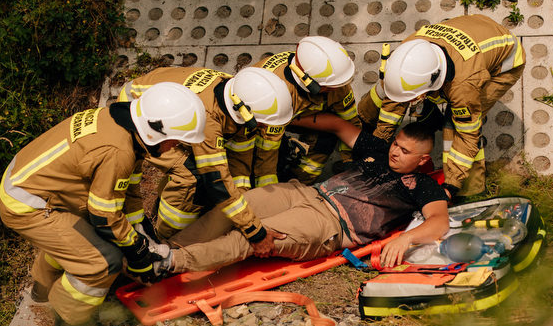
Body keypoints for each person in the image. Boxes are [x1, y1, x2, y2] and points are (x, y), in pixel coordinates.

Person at [0, 82, 206, 326]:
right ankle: (72, 321)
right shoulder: (118, 151)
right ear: (155, 131)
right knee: (103, 260)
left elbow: (125, 193)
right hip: (27, 204)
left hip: (32, 184)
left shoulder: (121, 126)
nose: (174, 148)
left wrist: (142, 232)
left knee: (80, 239)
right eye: (174, 141)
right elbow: (105, 217)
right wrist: (137, 252)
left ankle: (43, 286)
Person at [144, 114, 450, 277]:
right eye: (396, 144)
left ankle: (170, 262)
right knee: (239, 205)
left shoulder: (423, 186)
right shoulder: (380, 150)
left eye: (405, 151)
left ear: (423, 160)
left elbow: (439, 223)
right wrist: (277, 118)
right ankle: (159, 250)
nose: (395, 152)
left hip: (331, 224)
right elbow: (337, 125)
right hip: (304, 193)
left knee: (254, 237)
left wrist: (403, 239)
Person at [117, 66, 293, 253]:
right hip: (142, 113)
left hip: (172, 111)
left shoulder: (239, 96)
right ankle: (166, 240)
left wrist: (244, 208)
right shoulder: (208, 118)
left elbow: (240, 163)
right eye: (261, 123)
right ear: (244, 112)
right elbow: (216, 180)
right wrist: (254, 231)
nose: (263, 127)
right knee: (190, 175)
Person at [357, 14, 525, 198]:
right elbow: (395, 98)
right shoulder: (408, 53)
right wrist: (378, 145)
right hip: (475, 29)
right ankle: (373, 131)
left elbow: (468, 135)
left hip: (505, 60)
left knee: (453, 126)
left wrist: (450, 186)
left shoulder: (463, 86)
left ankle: (469, 191)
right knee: (385, 91)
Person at [232, 36, 361, 188]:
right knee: (266, 160)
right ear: (307, 81)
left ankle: (299, 184)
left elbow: (351, 121)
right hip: (263, 120)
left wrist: (352, 162)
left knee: (324, 141)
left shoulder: (331, 78)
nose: (338, 88)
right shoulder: (274, 96)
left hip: (297, 114)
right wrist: (270, 192)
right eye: (331, 86)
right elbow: (267, 152)